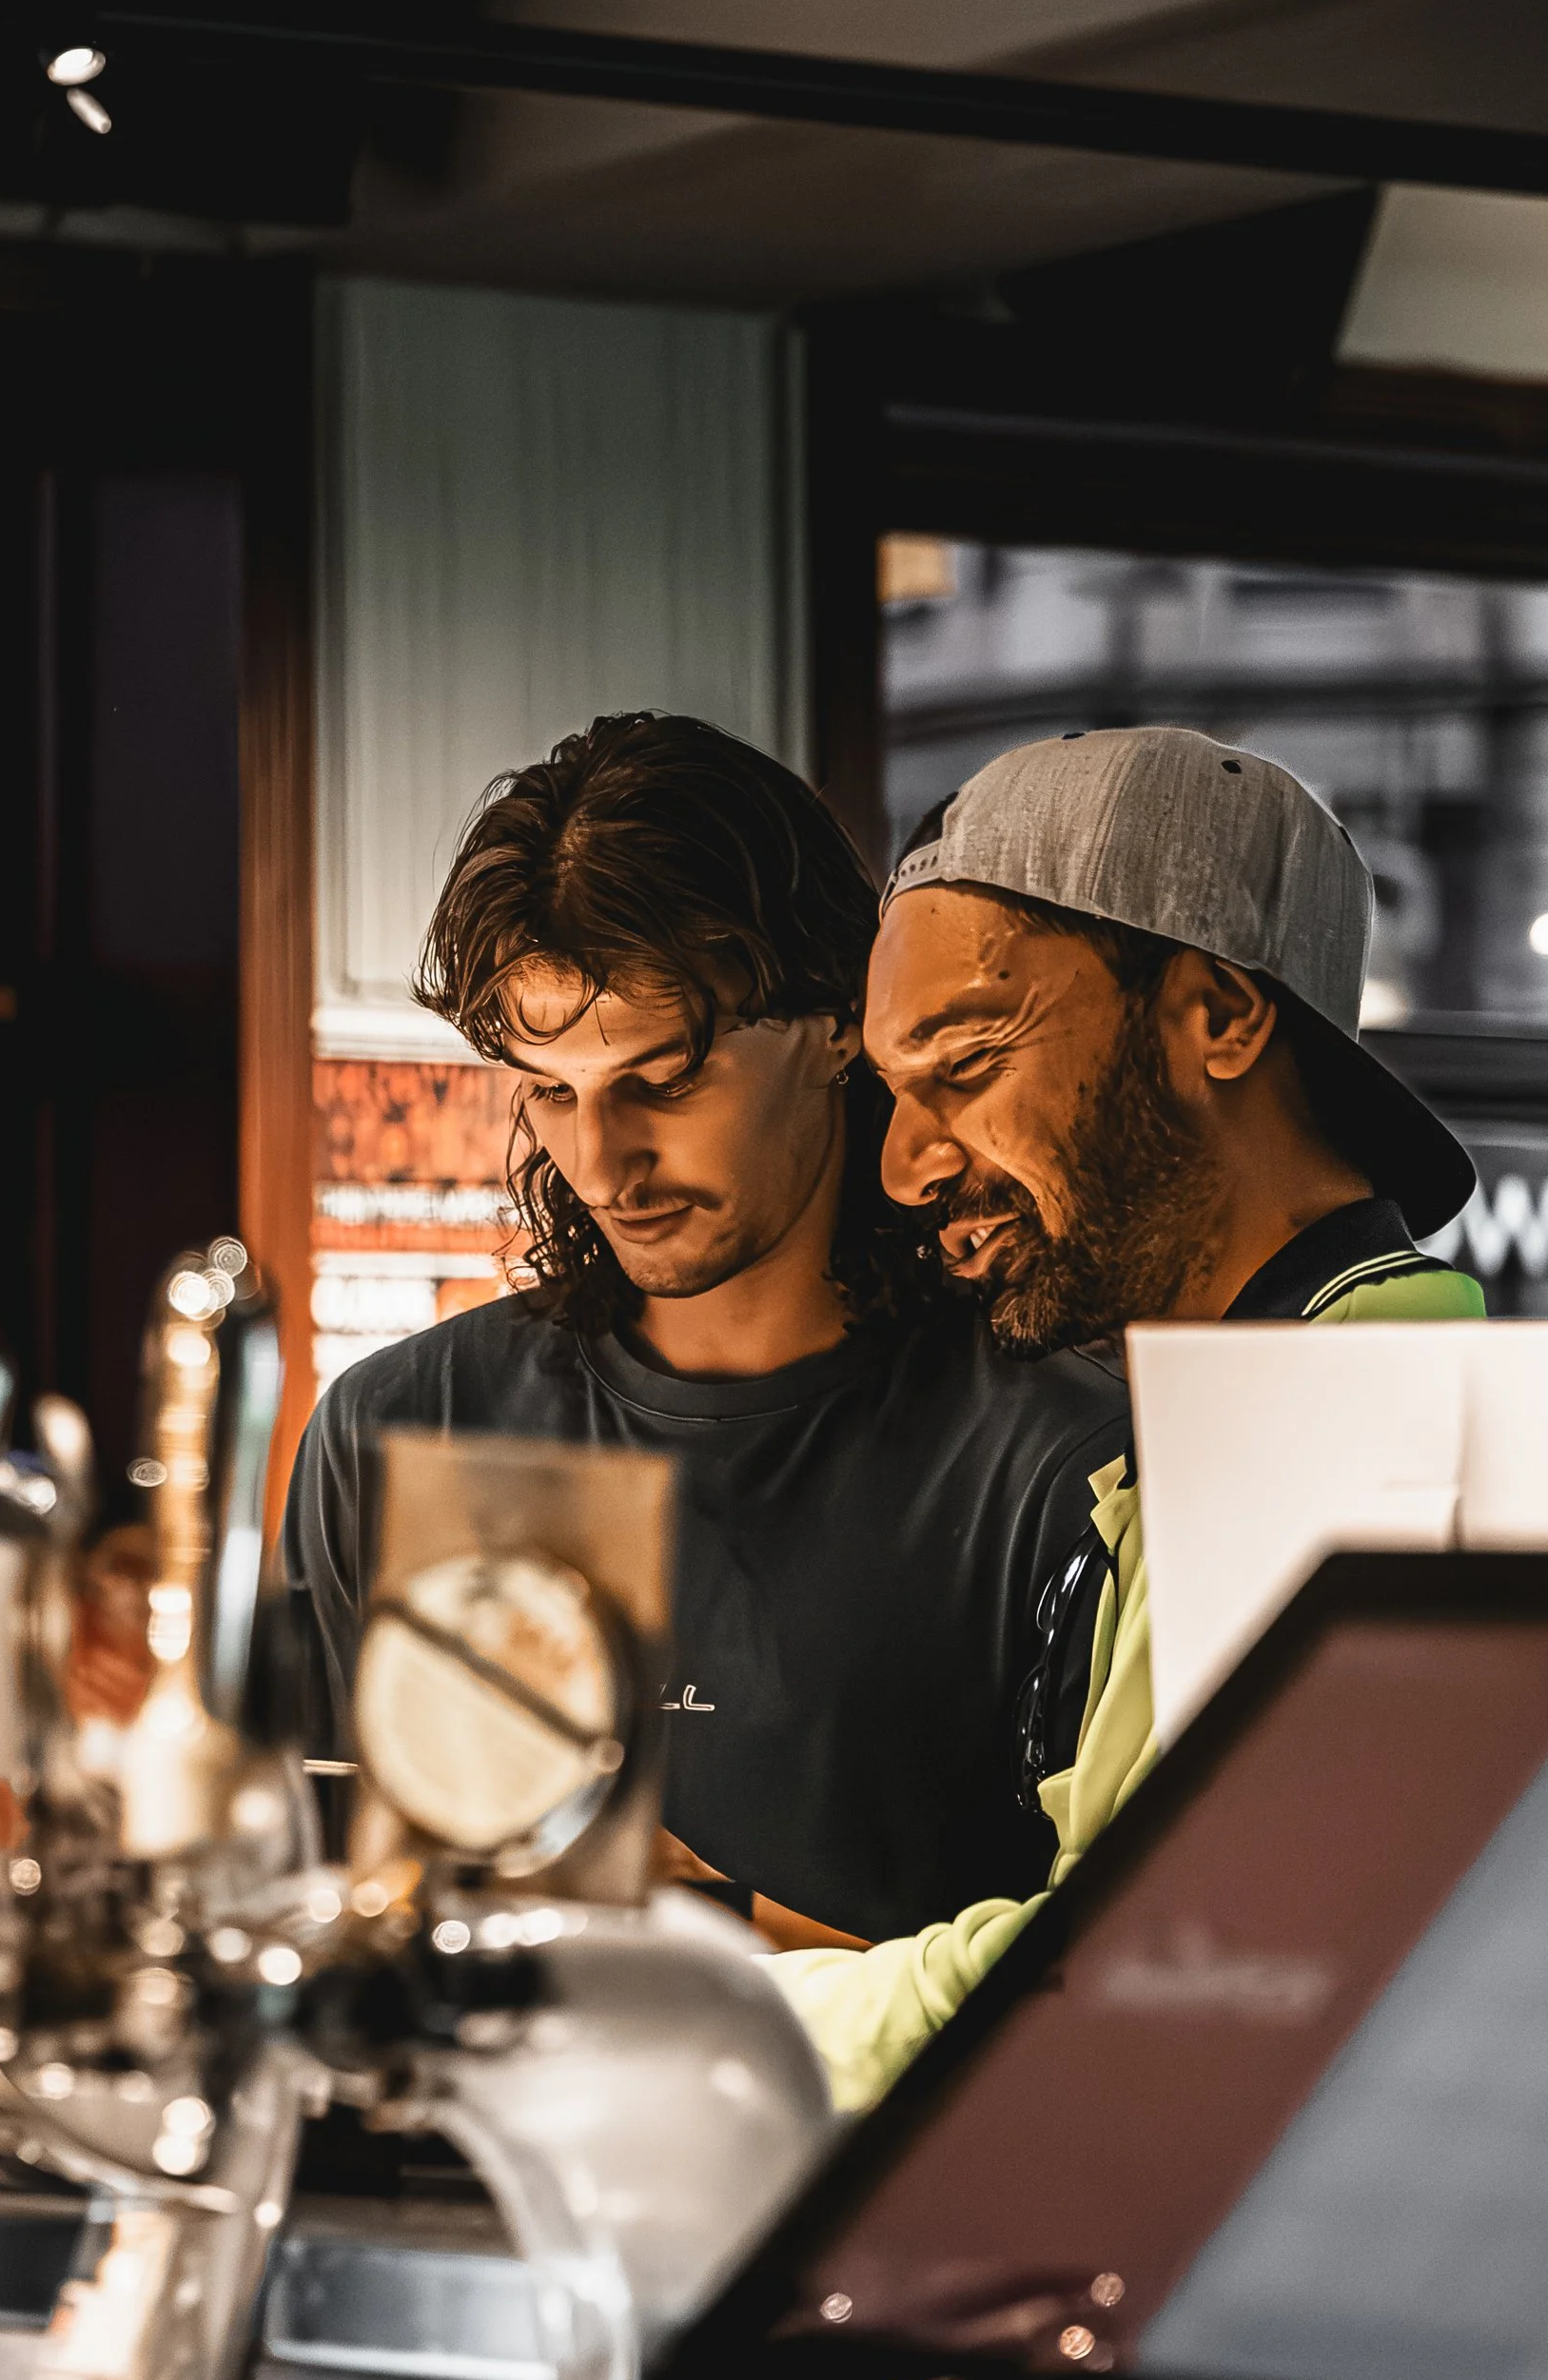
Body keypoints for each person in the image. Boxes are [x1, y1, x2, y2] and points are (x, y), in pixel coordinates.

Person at [282, 712, 1129, 1952]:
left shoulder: (1068, 1456)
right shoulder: (399, 1427)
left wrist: (705, 1931)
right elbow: (310, 1905)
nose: (603, 1161)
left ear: (842, 1023)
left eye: (665, 1082)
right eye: (550, 1094)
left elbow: (1114, 1996)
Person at [771, 721, 1484, 2106]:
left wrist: (694, 2011)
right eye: (896, 1098)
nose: (910, 1168)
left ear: (1218, 1015)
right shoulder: (1263, 1399)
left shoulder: (1354, 1418)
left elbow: (1147, 1973)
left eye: (967, 1067)